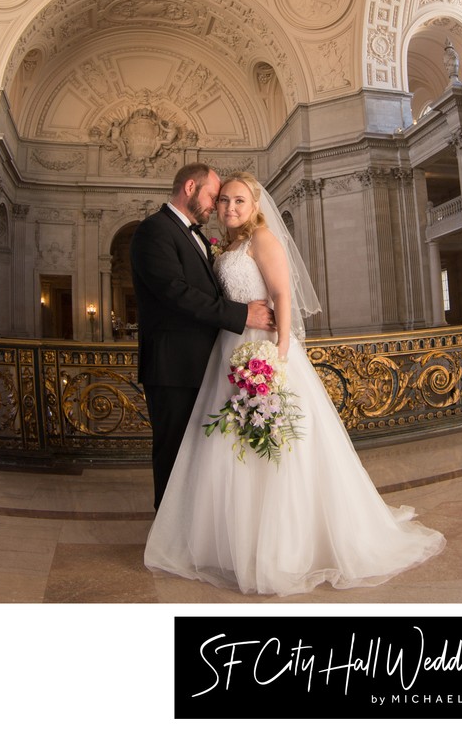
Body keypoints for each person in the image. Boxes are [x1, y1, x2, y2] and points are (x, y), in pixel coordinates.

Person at [144, 172, 445, 596]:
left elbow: (283, 295)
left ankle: (284, 543)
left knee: (281, 446)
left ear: (255, 205)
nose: (227, 208)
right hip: (227, 354)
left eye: (237, 201)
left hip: (264, 350)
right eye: (223, 200)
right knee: (232, 446)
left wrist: (278, 355)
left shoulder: (262, 239)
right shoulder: (222, 246)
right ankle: (231, 538)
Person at [130, 163, 275, 510]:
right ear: (190, 187)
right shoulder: (155, 230)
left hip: (203, 364)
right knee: (173, 451)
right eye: (214, 196)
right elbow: (175, 293)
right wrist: (242, 314)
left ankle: (191, 528)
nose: (218, 205)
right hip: (173, 367)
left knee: (198, 454)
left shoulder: (192, 234)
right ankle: (168, 532)